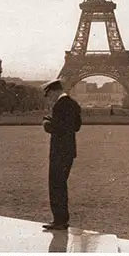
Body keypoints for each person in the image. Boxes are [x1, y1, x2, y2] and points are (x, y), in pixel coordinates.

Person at [41, 79, 82, 230]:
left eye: (49, 95)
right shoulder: (72, 103)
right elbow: (76, 126)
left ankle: (59, 220)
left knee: (56, 185)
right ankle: (61, 219)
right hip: (68, 151)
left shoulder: (60, 105)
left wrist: (47, 123)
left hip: (59, 151)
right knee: (60, 184)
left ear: (53, 91)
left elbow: (58, 127)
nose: (49, 98)